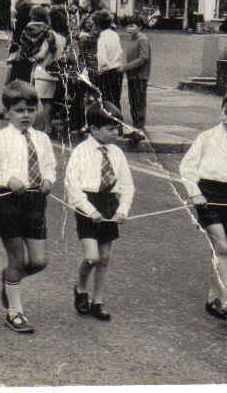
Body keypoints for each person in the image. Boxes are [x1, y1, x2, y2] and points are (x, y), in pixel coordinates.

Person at [0, 80, 56, 333]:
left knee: (39, 261)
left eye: (31, 110)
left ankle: (10, 280)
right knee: (17, 260)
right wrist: (7, 180)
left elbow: (50, 167)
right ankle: (15, 313)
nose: (26, 115)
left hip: (35, 202)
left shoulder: (42, 139)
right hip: (8, 202)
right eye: (20, 110)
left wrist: (48, 180)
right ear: (7, 112)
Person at [180, 87, 227, 320]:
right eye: (226, 112)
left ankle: (212, 299)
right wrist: (196, 195)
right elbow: (187, 167)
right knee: (223, 248)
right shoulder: (207, 138)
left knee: (219, 251)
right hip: (207, 195)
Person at [68, 102, 134, 321]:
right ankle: (80, 288)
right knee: (92, 256)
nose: (117, 132)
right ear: (94, 130)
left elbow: (127, 185)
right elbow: (72, 186)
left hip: (108, 204)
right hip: (87, 204)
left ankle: (97, 300)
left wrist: (123, 209)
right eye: (111, 128)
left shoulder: (117, 154)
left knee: (104, 257)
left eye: (117, 127)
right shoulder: (81, 152)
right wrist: (89, 210)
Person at [34, 6, 68, 135]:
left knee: (45, 101)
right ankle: (48, 125)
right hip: (54, 71)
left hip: (44, 70)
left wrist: (34, 57)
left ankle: (47, 127)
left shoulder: (50, 35)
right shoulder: (62, 37)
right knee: (49, 100)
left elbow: (43, 52)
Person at [122, 16, 151, 137]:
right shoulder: (133, 38)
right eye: (128, 26)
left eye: (132, 26)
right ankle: (135, 128)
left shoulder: (142, 39)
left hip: (140, 76)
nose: (129, 28)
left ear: (140, 27)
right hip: (132, 76)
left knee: (139, 102)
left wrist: (127, 67)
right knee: (133, 102)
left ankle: (139, 129)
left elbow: (144, 57)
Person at [94, 9, 123, 109]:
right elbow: (120, 51)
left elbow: (102, 58)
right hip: (117, 69)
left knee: (106, 100)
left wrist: (99, 70)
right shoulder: (114, 35)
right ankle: (118, 120)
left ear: (98, 25)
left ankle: (109, 121)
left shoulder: (102, 38)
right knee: (115, 98)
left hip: (107, 72)